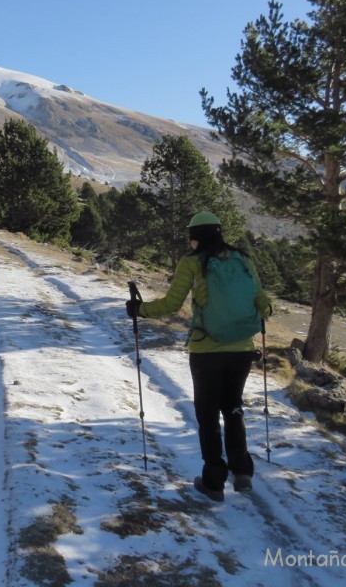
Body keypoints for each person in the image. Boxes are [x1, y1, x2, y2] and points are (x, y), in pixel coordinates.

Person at [126, 211, 271, 501]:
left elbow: (171, 303)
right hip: (242, 348)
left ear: (196, 236)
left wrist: (139, 310)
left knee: (207, 415)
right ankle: (242, 471)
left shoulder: (192, 262)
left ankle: (214, 480)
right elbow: (263, 303)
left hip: (207, 351)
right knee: (233, 408)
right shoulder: (242, 259)